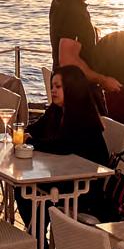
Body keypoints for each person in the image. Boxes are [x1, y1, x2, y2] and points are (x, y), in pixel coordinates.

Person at [28, 67, 113, 220]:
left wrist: (29, 142)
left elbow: (62, 146)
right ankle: (37, 232)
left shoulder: (84, 117)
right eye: (52, 86)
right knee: (25, 189)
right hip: (63, 174)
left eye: (58, 87)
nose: (53, 90)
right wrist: (21, 132)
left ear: (72, 88)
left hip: (84, 185)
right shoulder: (56, 110)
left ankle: (39, 233)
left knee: (30, 189)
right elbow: (36, 129)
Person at [49, 0, 120, 99]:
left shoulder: (61, 0)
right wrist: (103, 80)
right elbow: (68, 60)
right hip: (77, 94)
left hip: (69, 89)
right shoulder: (73, 10)